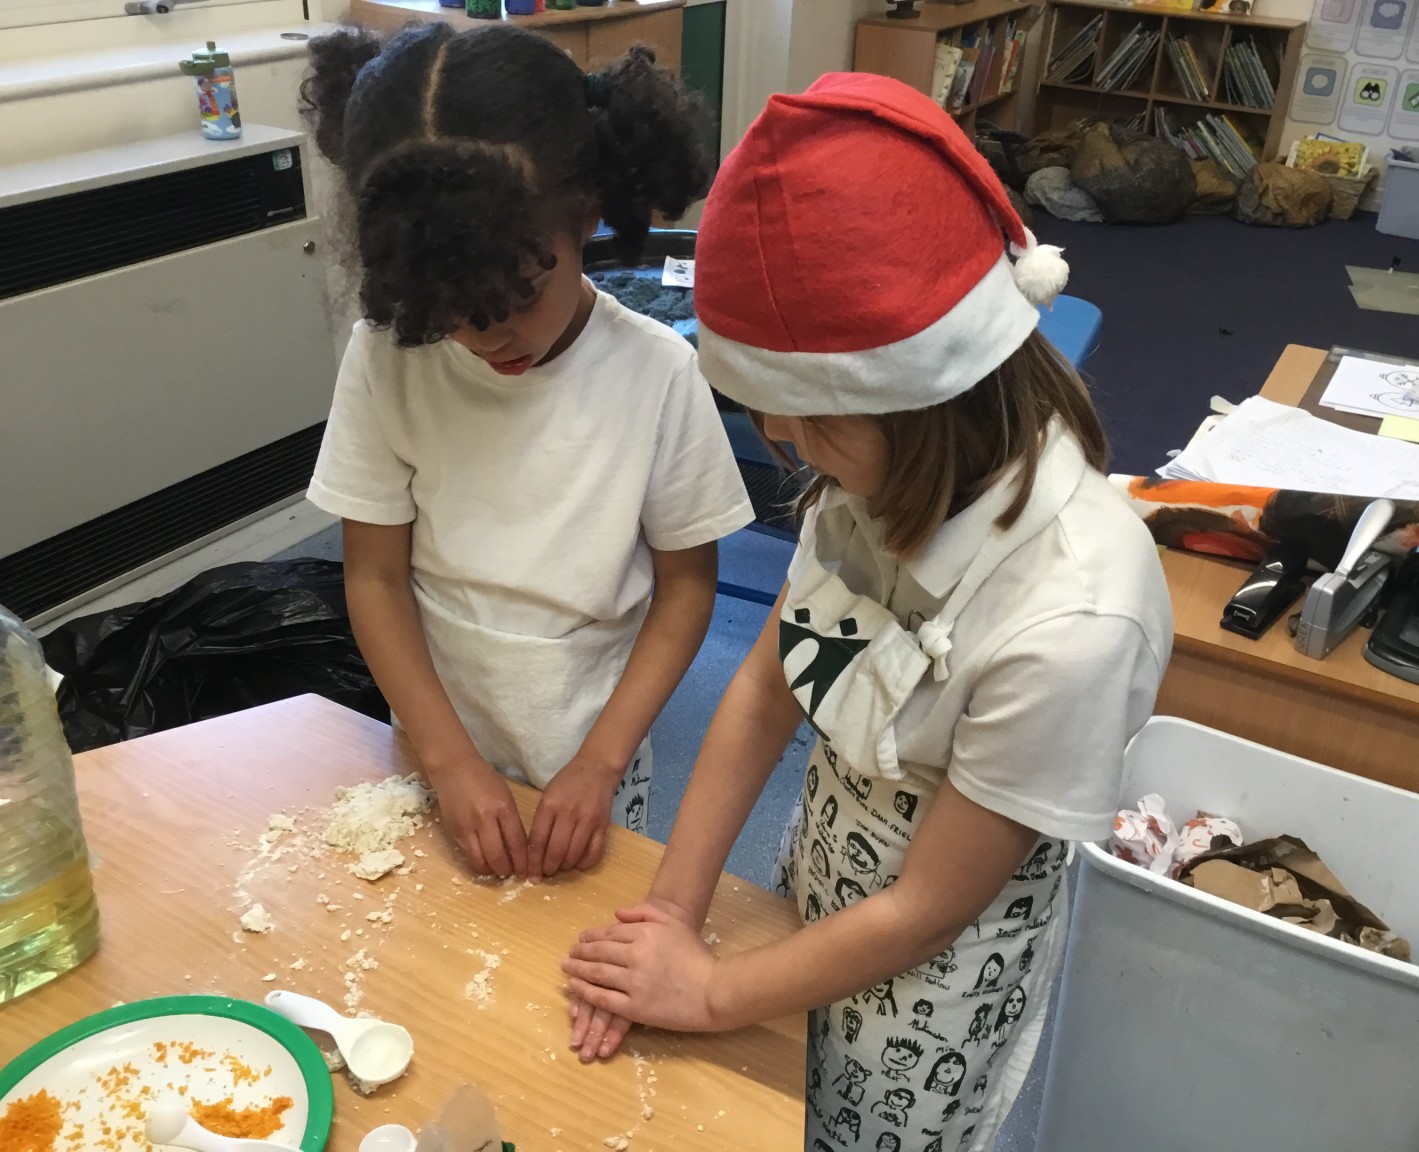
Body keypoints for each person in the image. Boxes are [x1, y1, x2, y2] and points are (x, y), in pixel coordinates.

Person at [560, 73, 1172, 1150]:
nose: (789, 451)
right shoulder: (878, 474)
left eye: (811, 426)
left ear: (931, 393)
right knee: (774, 1108)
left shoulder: (1073, 622)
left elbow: (927, 908)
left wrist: (709, 993)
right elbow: (764, 691)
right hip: (819, 888)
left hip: (931, 984)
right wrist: (675, 914)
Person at [300, 23, 751, 880]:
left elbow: (687, 588)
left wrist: (601, 763)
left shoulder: (657, 374)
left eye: (517, 293)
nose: (486, 335)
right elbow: (375, 578)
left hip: (594, 757)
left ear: (586, 213)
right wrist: (449, 763)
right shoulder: (389, 359)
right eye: (449, 306)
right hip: (436, 740)